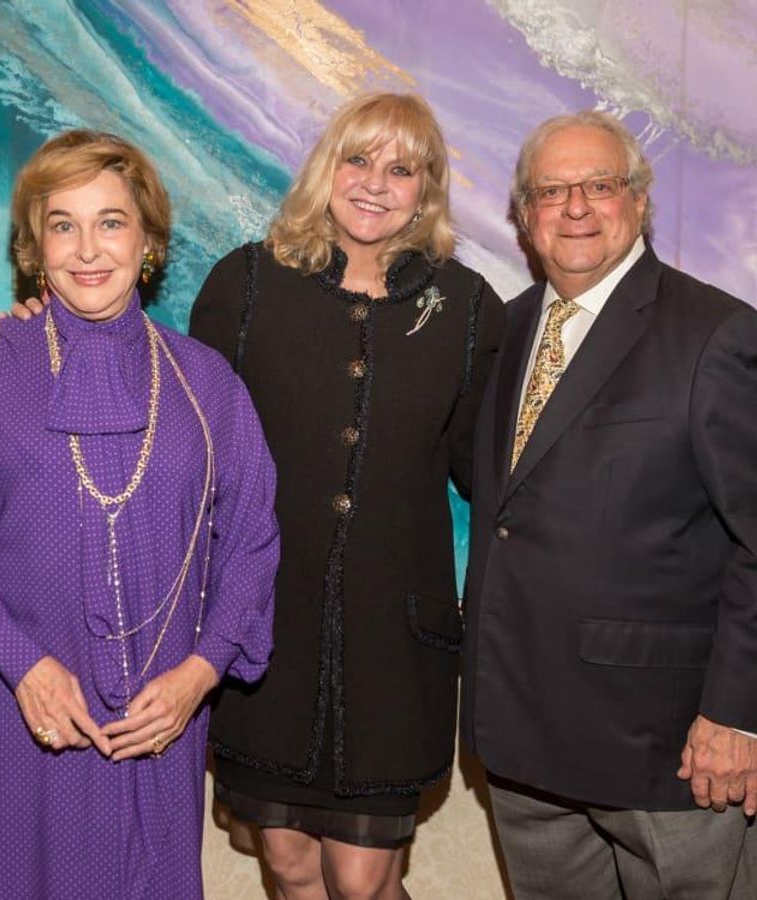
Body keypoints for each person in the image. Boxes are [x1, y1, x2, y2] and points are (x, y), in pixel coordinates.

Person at [0, 129, 279, 900]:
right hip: (16, 708)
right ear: (34, 248)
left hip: (159, 721)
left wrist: (200, 674)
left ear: (148, 241)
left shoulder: (206, 384)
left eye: (111, 221)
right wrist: (22, 663)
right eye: (61, 225)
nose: (86, 249)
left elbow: (251, 543)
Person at [189, 93, 504, 899]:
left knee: (362, 882)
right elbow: (184, 439)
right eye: (358, 159)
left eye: (401, 168)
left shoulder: (467, 308)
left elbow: (493, 469)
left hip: (395, 648)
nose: (375, 183)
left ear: (426, 189)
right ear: (327, 168)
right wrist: (46, 333)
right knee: (291, 868)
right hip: (266, 636)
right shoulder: (246, 284)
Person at [461, 110, 757, 898]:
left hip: (668, 751)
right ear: (525, 217)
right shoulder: (512, 327)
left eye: (599, 184)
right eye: (553, 192)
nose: (578, 208)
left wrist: (738, 715)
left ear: (638, 199)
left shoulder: (715, 334)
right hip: (525, 741)